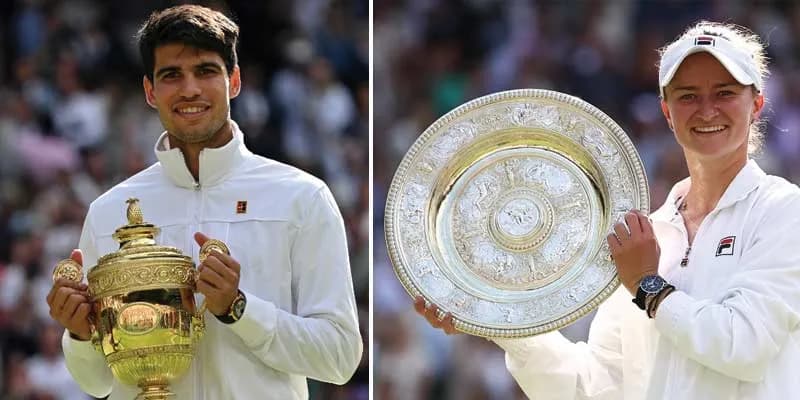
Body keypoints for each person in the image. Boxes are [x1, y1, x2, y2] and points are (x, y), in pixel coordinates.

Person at [416, 20, 800, 399]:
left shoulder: (784, 212)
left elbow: (745, 346)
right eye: (688, 96)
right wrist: (493, 315)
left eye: (724, 92)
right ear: (667, 112)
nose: (706, 109)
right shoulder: (644, 236)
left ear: (757, 104)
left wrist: (649, 287)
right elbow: (592, 387)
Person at [45, 5, 362, 399]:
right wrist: (78, 332)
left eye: (206, 71)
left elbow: (340, 357)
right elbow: (97, 382)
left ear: (234, 81)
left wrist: (238, 308)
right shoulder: (109, 211)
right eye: (171, 75)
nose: (189, 89)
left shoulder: (302, 197)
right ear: (150, 91)